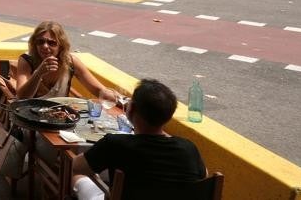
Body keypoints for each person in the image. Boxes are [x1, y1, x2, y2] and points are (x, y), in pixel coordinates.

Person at [71, 79, 207, 199]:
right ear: (168, 116)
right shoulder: (189, 148)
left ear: (131, 110)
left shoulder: (114, 144)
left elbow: (77, 166)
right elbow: (203, 176)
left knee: (76, 176)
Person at [13, 21, 111, 101]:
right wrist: (38, 73)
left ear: (61, 45)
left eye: (52, 43)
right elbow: (22, 97)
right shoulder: (27, 60)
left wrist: (123, 101)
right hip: (28, 119)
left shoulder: (70, 62)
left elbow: (98, 90)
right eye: (40, 42)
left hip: (58, 118)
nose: (45, 46)